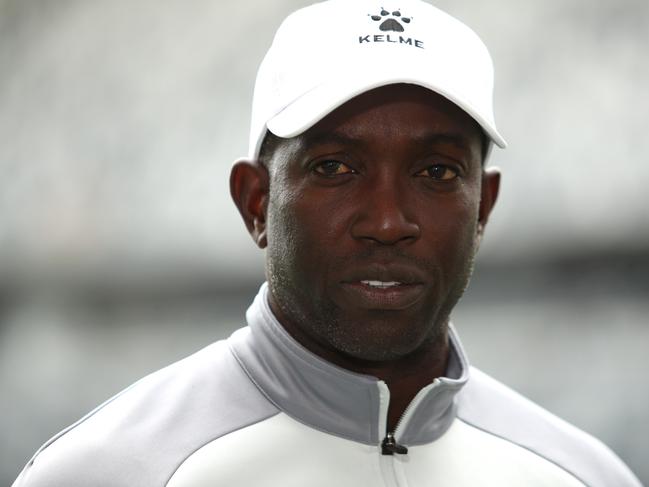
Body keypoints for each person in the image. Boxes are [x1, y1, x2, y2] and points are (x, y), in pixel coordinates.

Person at [12, 0, 642, 486]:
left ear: (484, 207)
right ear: (255, 201)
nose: (388, 221)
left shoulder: (580, 474)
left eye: (437, 172)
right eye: (335, 168)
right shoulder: (110, 472)